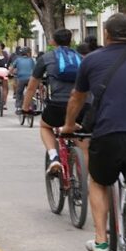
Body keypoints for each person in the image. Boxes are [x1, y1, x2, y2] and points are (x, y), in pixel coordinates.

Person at [63, 13, 126, 251]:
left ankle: (101, 241)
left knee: (98, 181)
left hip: (108, 135)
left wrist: (69, 125)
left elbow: (77, 97)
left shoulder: (91, 60)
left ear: (106, 34)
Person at [23, 28, 83, 175]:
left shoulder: (46, 58)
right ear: (71, 40)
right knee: (81, 134)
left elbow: (32, 87)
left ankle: (54, 157)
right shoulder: (82, 58)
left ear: (53, 42)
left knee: (45, 126)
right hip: (81, 105)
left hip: (57, 104)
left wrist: (25, 107)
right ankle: (83, 169)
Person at [11, 47, 37, 113]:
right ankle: (32, 103)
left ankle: (19, 107)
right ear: (28, 53)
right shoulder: (31, 60)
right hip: (30, 79)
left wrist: (10, 73)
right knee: (31, 91)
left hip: (21, 78)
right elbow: (35, 69)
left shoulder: (17, 60)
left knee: (19, 92)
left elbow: (11, 69)